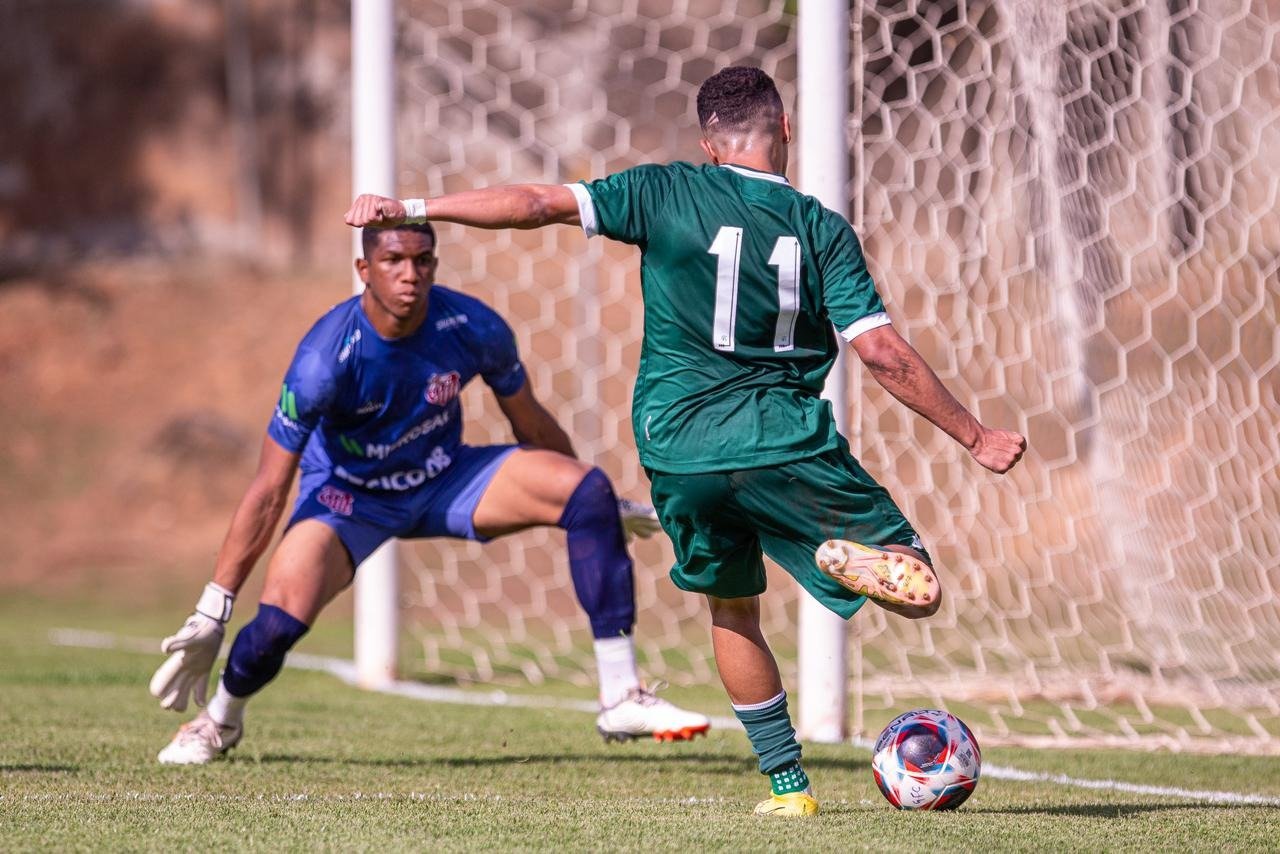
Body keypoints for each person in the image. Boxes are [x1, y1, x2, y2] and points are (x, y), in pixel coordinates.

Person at [344, 66, 1026, 816]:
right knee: (916, 582)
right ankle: (849, 555)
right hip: (781, 439)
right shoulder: (821, 228)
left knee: (732, 610)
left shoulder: (664, 190)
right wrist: (974, 434)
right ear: (785, 127)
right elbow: (883, 354)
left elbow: (537, 204)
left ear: (709, 143)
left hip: (675, 447)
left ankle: (789, 790)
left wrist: (410, 206)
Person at [150, 221, 711, 765]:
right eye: (393, 261)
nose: (409, 274)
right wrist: (214, 608)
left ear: (435, 265)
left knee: (584, 488)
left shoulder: (471, 326)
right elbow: (269, 490)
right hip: (349, 498)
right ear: (363, 269)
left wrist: (600, 509)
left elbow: (531, 425)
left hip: (446, 479)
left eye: (422, 261)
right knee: (275, 626)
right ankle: (218, 719)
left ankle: (620, 695)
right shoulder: (323, 361)